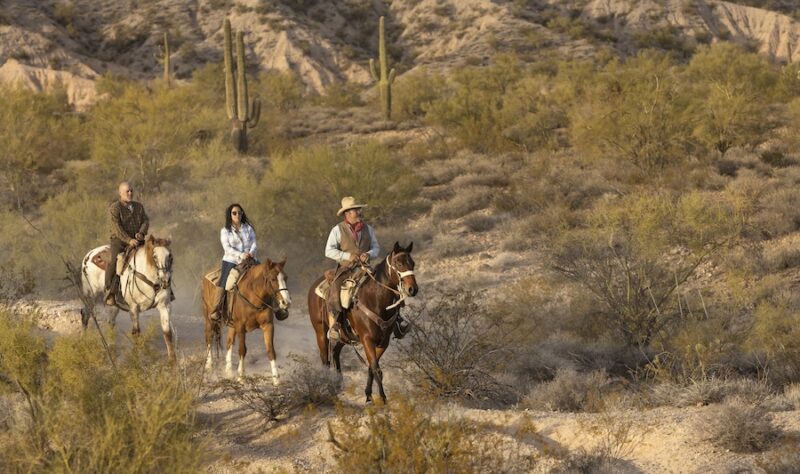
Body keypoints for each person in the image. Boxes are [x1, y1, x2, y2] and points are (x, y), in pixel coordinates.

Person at [324, 196, 408, 340]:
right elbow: (328, 251)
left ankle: (398, 319)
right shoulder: (337, 230)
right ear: (347, 213)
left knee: (389, 284)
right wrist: (347, 256)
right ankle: (336, 325)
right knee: (336, 288)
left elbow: (376, 247)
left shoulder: (368, 229)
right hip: (346, 269)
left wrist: (368, 254)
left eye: (358, 209)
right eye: (356, 210)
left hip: (366, 268)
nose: (359, 211)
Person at [209, 203, 257, 321]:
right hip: (232, 260)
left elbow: (254, 242)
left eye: (239, 213)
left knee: (268, 274)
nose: (237, 215)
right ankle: (216, 309)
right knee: (225, 281)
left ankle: (276, 307)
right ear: (230, 215)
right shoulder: (225, 230)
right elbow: (227, 248)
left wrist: (251, 252)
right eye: (234, 213)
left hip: (250, 259)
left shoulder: (248, 228)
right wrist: (241, 254)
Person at [106, 181, 149, 306]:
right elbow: (116, 228)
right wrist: (129, 240)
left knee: (153, 256)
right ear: (120, 193)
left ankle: (163, 290)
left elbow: (145, 221)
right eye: (127, 191)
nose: (130, 193)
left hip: (138, 240)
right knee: (116, 261)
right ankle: (110, 292)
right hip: (119, 241)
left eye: (131, 191)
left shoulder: (139, 207)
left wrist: (141, 233)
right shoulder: (114, 208)